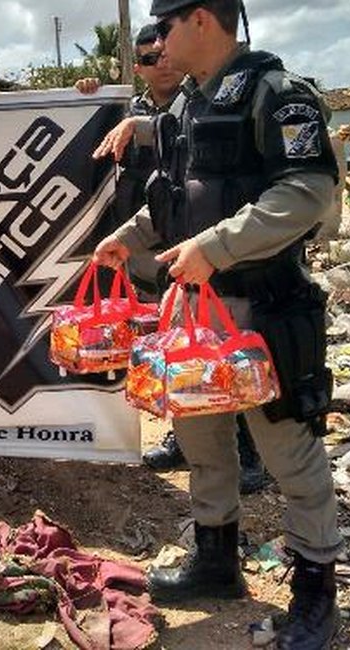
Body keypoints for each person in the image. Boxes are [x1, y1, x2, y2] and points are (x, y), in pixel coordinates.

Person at [92, 1, 342, 648]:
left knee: (290, 454)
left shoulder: (276, 94)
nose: (158, 44)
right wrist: (128, 237)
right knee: (201, 443)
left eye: (165, 27)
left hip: (261, 310)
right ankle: (216, 563)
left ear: (200, 18)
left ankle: (315, 595)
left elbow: (308, 192)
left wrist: (220, 247)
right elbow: (172, 200)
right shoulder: (184, 107)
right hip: (191, 312)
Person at [76, 24, 269, 493]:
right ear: (138, 69)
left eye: (162, 50)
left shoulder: (220, 100)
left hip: (219, 258)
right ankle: (187, 442)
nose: (159, 59)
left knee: (225, 355)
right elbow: (161, 193)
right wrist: (87, 94)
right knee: (181, 358)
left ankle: (249, 454)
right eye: (146, 58)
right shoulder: (134, 112)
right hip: (157, 260)